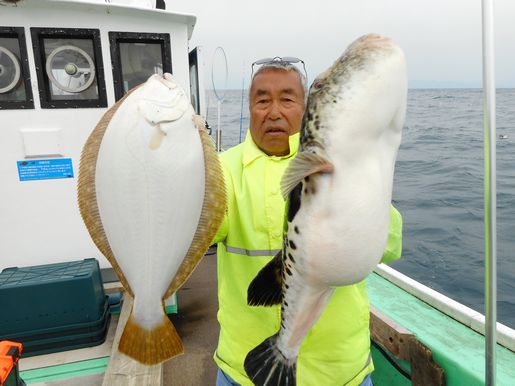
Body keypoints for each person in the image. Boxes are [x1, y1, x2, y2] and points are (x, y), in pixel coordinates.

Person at [211, 58, 403, 386]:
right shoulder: (220, 170)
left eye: (287, 99)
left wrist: (356, 186)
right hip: (246, 371)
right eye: (262, 100)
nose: (274, 112)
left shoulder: (349, 165)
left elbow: (388, 244)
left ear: (305, 108)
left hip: (341, 370)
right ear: (249, 107)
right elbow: (198, 231)